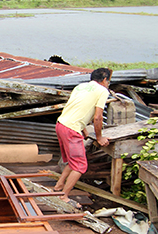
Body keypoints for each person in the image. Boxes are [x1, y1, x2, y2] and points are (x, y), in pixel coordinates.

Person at [53, 68, 111, 209]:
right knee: (80, 165)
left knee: (72, 161)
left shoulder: (80, 86)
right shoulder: (103, 91)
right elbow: (98, 117)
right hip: (71, 129)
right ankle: (64, 196)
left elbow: (75, 108)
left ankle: (58, 186)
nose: (108, 83)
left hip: (61, 124)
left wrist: (83, 129)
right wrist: (99, 137)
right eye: (108, 80)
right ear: (104, 79)